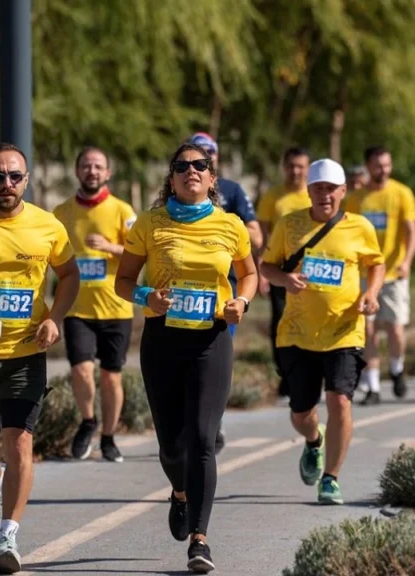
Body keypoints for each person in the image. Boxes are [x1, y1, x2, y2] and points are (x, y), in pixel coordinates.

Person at [115, 143, 257, 573]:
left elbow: (248, 274)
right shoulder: (150, 223)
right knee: (171, 445)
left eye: (200, 166)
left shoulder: (230, 225)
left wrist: (242, 303)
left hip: (211, 340)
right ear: (172, 178)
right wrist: (147, 296)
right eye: (182, 166)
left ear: (212, 179)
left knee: (201, 438)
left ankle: (200, 539)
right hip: (162, 341)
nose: (191, 171)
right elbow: (123, 281)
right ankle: (179, 491)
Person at [0, 143, 79, 572]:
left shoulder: (47, 225)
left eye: (14, 176)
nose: (6, 184)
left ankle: (8, 536)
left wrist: (56, 318)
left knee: (20, 441)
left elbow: (68, 276)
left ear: (26, 179)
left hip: (27, 351)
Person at [260, 159, 384, 504]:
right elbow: (266, 266)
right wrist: (285, 279)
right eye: (318, 188)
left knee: (340, 400)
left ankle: (331, 478)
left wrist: (370, 294)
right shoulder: (290, 225)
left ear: (343, 191)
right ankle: (314, 440)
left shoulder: (359, 227)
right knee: (301, 413)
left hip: (345, 330)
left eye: (331, 189)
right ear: (309, 191)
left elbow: (376, 263)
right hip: (297, 333)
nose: (324, 195)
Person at [52, 147, 137, 463]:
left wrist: (110, 247)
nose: (92, 171)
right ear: (77, 171)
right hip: (78, 308)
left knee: (111, 377)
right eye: (86, 166)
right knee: (81, 370)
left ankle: (109, 437)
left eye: (98, 166)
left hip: (116, 307)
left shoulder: (122, 210)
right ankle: (88, 421)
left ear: (108, 173)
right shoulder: (61, 212)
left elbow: (140, 253)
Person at [187, 132, 264, 454]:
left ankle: (211, 421)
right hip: (182, 288)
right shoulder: (177, 189)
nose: (196, 164)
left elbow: (256, 236)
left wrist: (220, 228)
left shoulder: (231, 192)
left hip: (223, 287)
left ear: (214, 162)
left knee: (215, 355)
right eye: (192, 157)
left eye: (207, 156)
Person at [345, 146, 415, 402]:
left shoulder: (401, 193)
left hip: (393, 272)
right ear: (368, 167)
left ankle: (397, 369)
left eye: (387, 165)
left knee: (396, 329)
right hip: (363, 273)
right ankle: (373, 386)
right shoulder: (357, 199)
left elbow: (411, 231)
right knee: (367, 329)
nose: (383, 170)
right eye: (378, 166)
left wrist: (407, 261)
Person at [256, 148, 311, 399]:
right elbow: (262, 236)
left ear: (308, 168)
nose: (295, 171)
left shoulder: (315, 195)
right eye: (291, 166)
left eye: (300, 166)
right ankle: (285, 373)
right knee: (280, 322)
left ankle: (308, 373)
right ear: (284, 167)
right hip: (278, 269)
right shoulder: (273, 197)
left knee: (309, 321)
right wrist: (260, 271)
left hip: (311, 271)